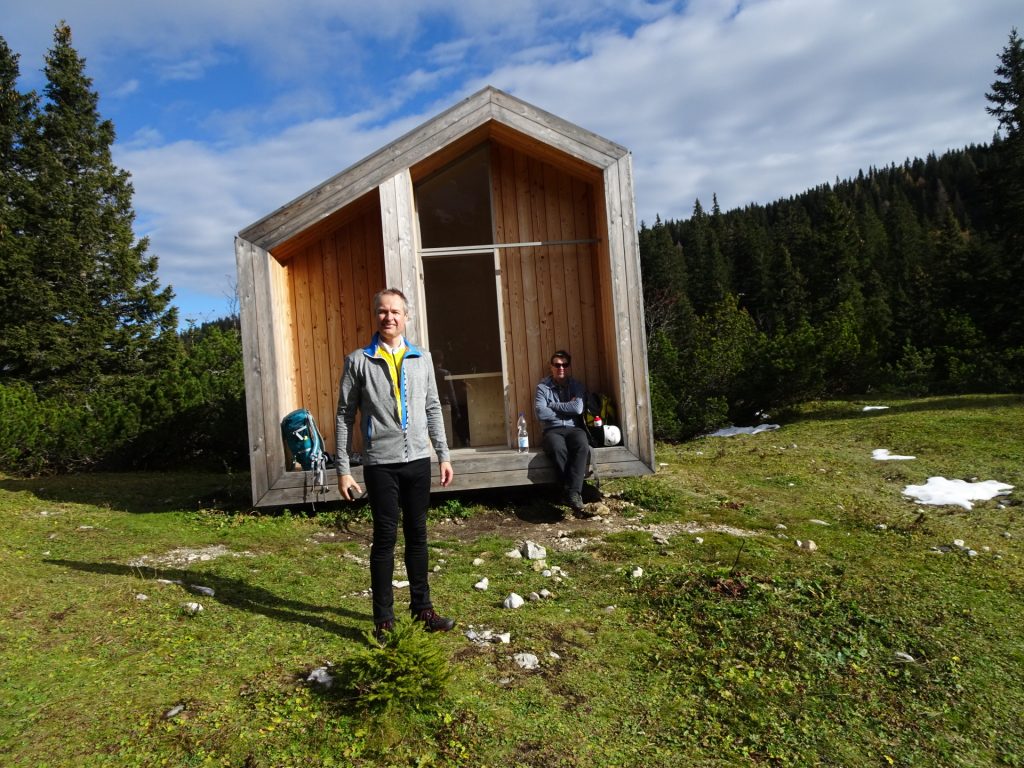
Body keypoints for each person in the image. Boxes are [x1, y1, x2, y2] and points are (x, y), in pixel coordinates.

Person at [335, 288, 456, 641]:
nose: (389, 317)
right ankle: (384, 619)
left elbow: (433, 407)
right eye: (383, 312)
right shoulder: (358, 360)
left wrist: (443, 454)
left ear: (406, 317)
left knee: (418, 536)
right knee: (385, 538)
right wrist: (343, 468)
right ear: (376, 316)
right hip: (380, 464)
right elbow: (344, 415)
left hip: (418, 460)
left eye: (395, 312)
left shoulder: (422, 357)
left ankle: (423, 610)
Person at [535, 350, 593, 517]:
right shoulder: (542, 387)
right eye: (557, 365)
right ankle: (571, 492)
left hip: (574, 428)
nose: (561, 368)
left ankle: (572, 493)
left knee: (582, 445)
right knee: (558, 449)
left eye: (565, 364)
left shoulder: (577, 385)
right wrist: (567, 408)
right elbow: (541, 413)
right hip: (552, 430)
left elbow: (578, 408)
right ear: (551, 367)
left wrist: (553, 405)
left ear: (569, 367)